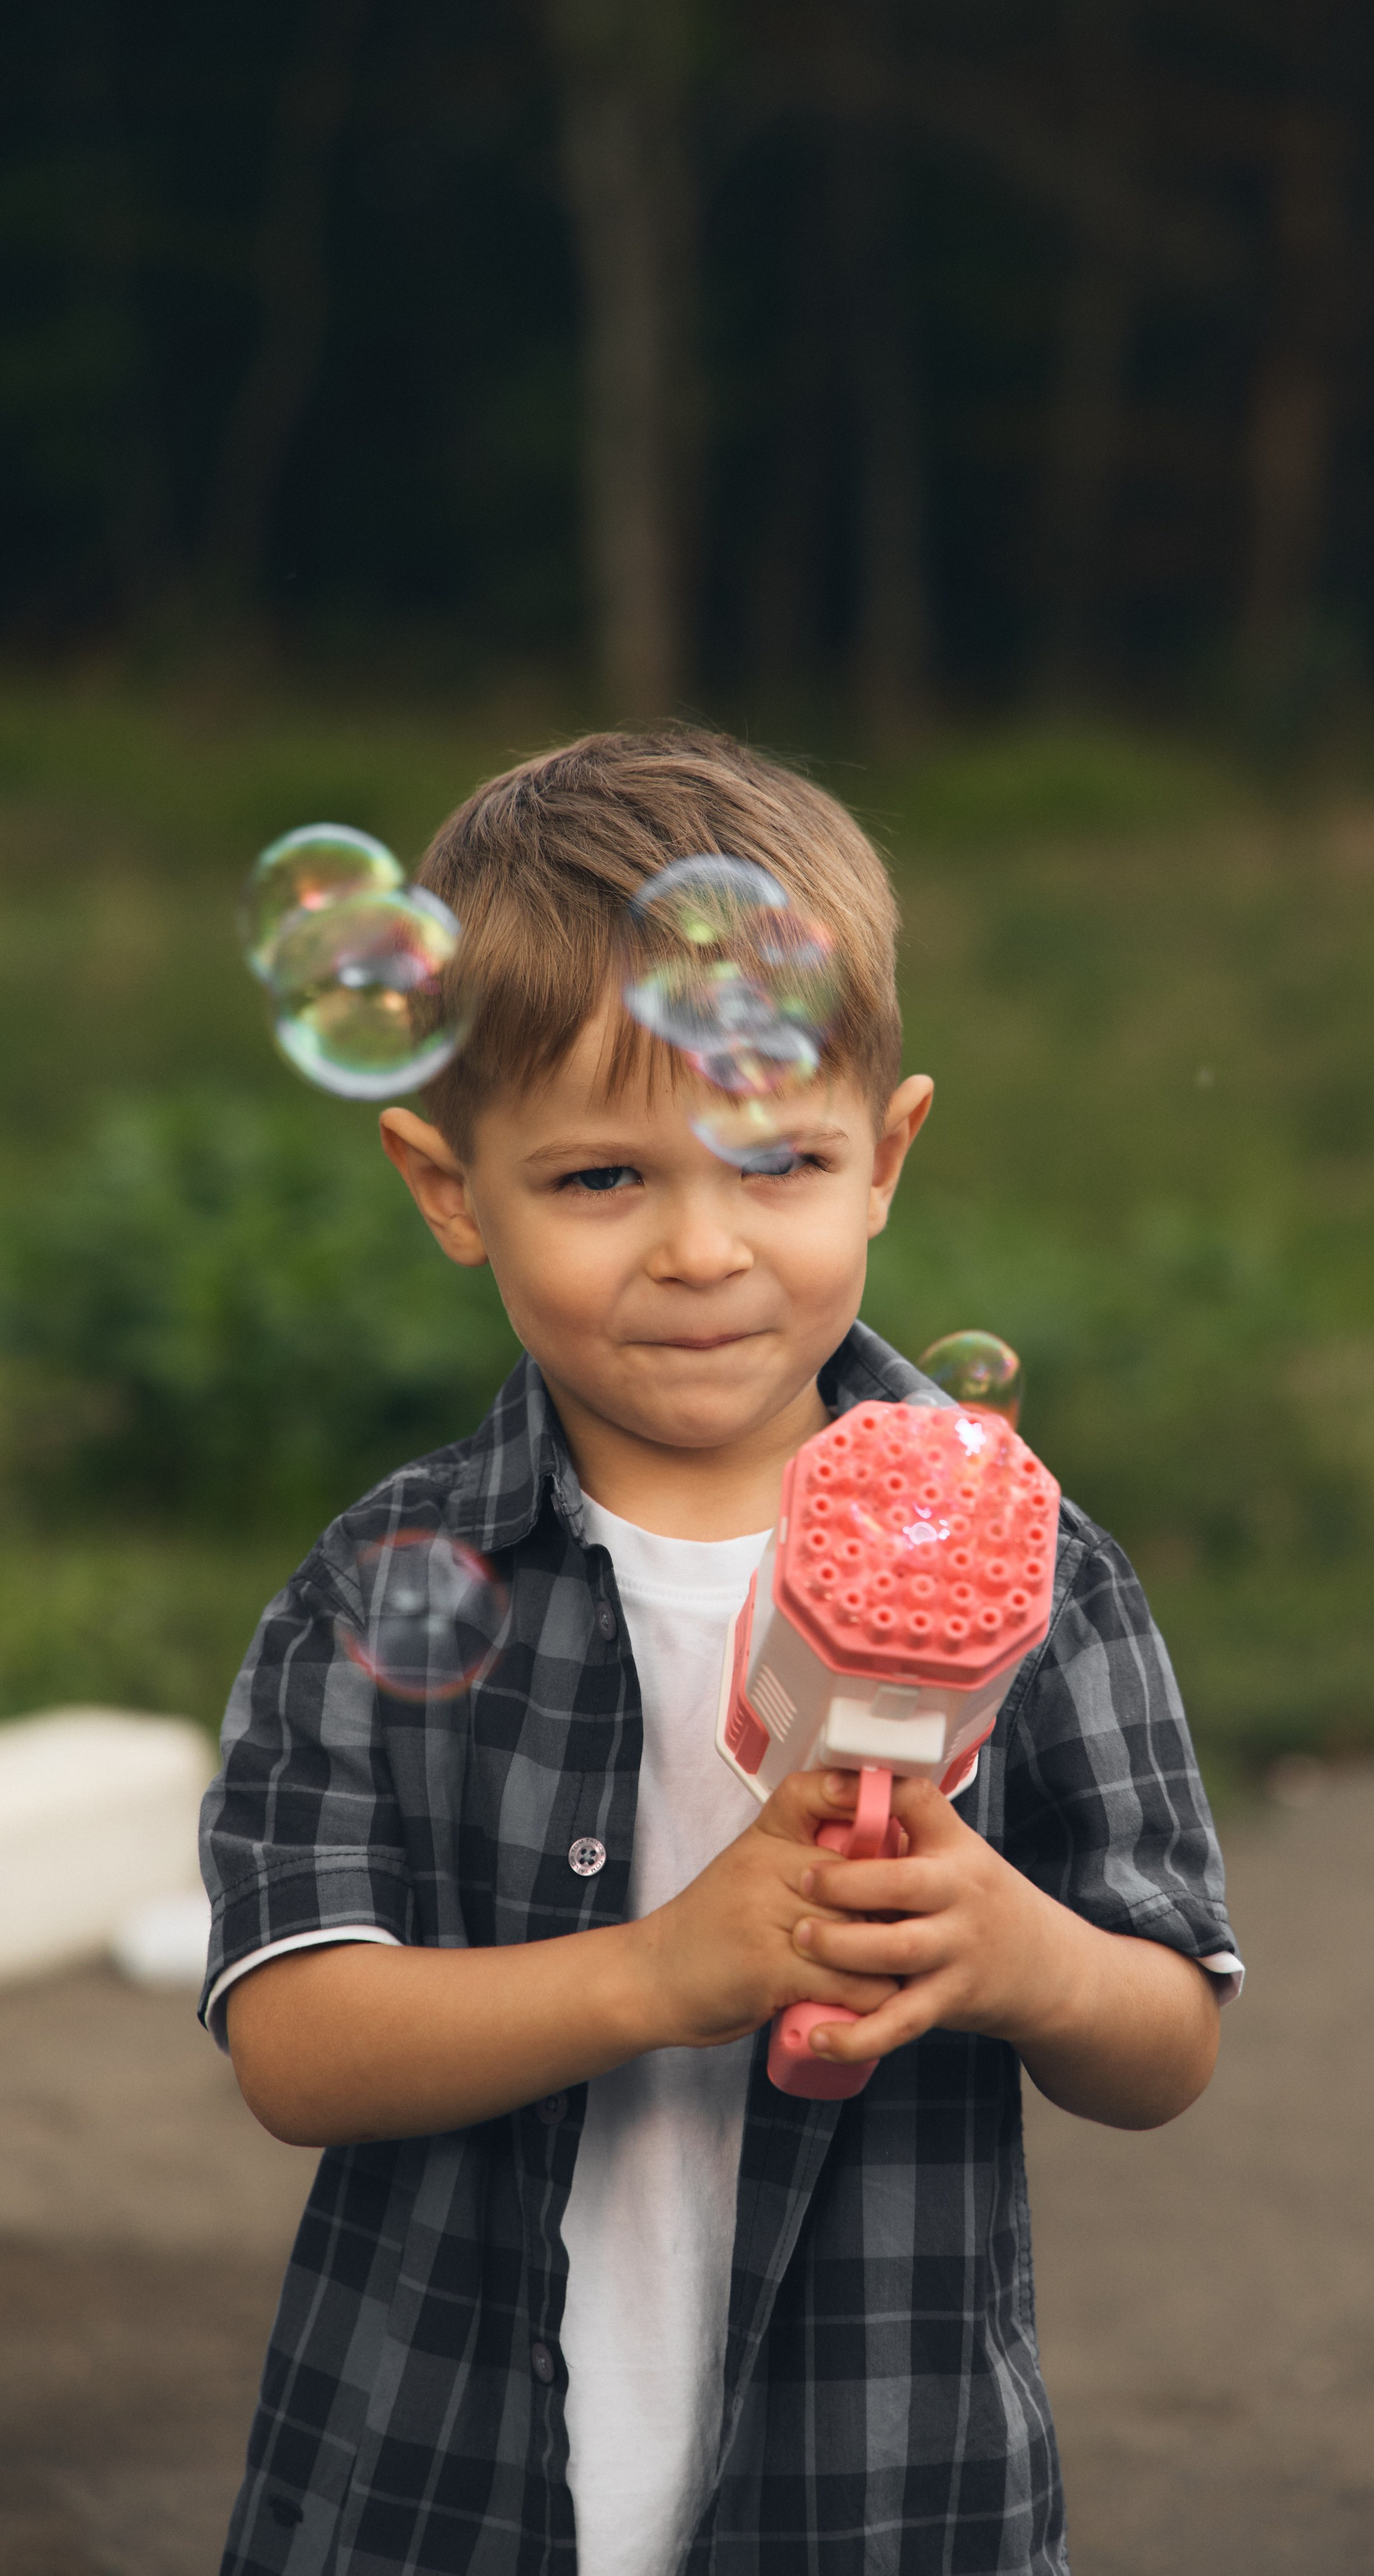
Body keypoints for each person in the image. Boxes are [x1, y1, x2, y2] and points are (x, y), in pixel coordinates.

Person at [199, 728, 1242, 2576]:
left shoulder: (1027, 1563)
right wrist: (667, 1970)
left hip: (882, 2496)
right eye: (604, 1178)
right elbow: (294, 2043)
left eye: (775, 1160)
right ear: (452, 1190)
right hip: (435, 2486)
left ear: (886, 1157)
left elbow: (1166, 2035)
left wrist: (1019, 1953)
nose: (701, 1249)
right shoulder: (382, 1584)